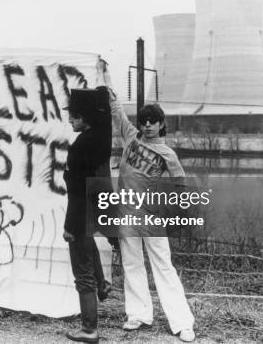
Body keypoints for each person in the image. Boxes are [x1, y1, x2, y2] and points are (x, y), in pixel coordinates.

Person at [98, 59, 196, 342]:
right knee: (131, 264)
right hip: (127, 211)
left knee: (163, 266)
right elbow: (117, 110)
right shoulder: (131, 137)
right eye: (144, 121)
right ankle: (138, 315)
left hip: (152, 216)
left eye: (154, 122)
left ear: (162, 125)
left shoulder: (167, 154)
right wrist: (106, 76)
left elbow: (181, 186)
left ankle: (182, 322)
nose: (148, 125)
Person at [63, 88, 112, 343]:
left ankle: (89, 329)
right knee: (89, 247)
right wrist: (102, 91)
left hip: (81, 212)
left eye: (74, 116)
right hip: (96, 209)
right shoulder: (102, 138)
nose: (70, 120)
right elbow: (105, 114)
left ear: (85, 117)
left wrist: (69, 226)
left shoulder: (79, 147)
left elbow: (76, 193)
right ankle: (103, 283)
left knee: (81, 272)